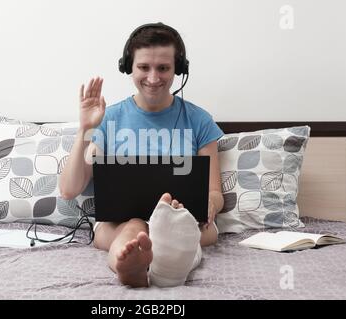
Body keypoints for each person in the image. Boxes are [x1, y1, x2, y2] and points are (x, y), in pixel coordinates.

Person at [60, 23, 224, 288]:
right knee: (134, 227)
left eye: (163, 68)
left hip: (181, 219)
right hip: (120, 223)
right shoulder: (110, 118)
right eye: (144, 67)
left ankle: (150, 260)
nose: (153, 77)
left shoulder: (199, 120)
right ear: (129, 67)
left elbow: (214, 192)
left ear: (178, 69)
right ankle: (132, 266)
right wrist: (85, 129)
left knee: (172, 227)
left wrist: (211, 205)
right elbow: (69, 190)